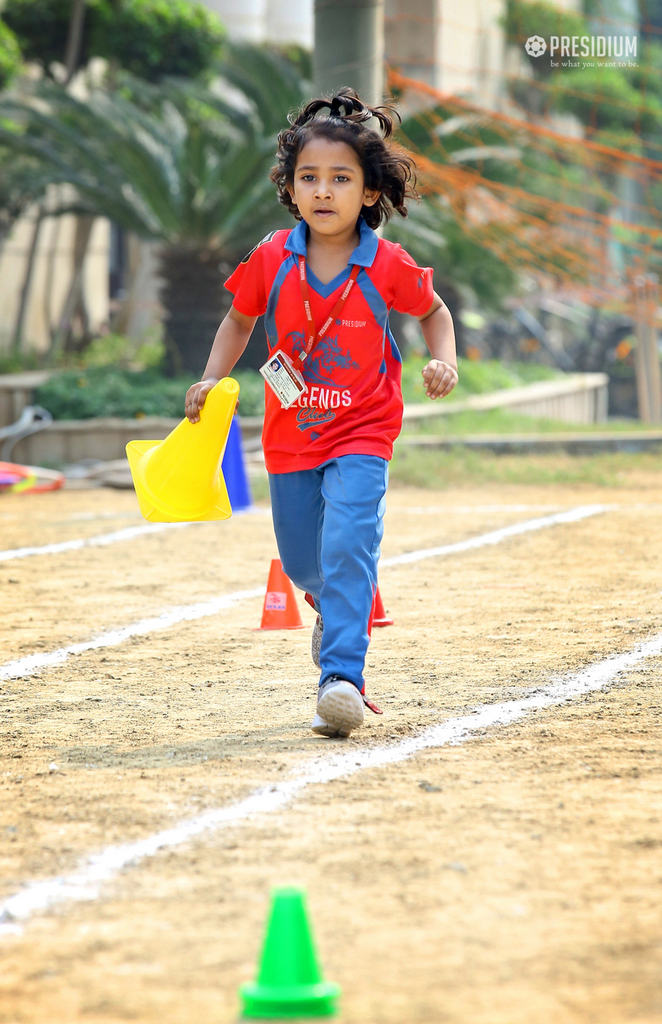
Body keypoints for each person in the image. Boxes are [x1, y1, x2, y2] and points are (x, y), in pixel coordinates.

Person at [185, 88, 457, 738]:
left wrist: (442, 360)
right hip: (290, 437)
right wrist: (209, 379)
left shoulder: (386, 264)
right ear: (290, 187)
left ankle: (341, 679)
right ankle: (330, 609)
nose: (323, 191)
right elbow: (236, 319)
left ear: (368, 193)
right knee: (305, 562)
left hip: (364, 432)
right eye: (309, 177)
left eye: (340, 178)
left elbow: (434, 313)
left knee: (349, 545)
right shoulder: (272, 257)